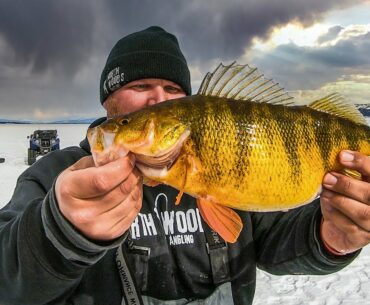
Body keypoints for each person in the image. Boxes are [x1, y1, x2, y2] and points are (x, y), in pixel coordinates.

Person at [0, 26, 369, 305]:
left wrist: (334, 238)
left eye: (173, 91)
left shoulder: (215, 161)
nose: (158, 98)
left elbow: (278, 244)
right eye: (142, 85)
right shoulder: (57, 176)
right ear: (109, 101)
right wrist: (57, 231)